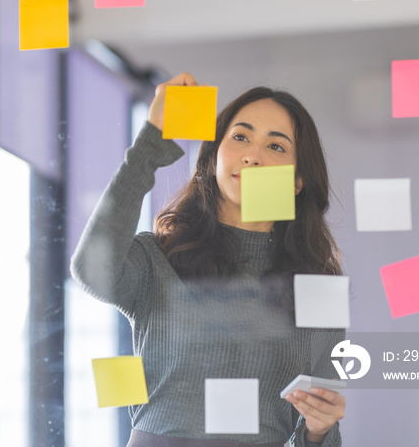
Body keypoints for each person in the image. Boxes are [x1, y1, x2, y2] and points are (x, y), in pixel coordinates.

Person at [71, 72, 346, 447]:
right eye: (240, 137)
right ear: (215, 155)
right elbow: (90, 269)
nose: (253, 155)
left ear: (298, 181)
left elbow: (318, 427)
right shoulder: (159, 258)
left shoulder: (319, 289)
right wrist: (152, 140)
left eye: (277, 147)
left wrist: (319, 431)